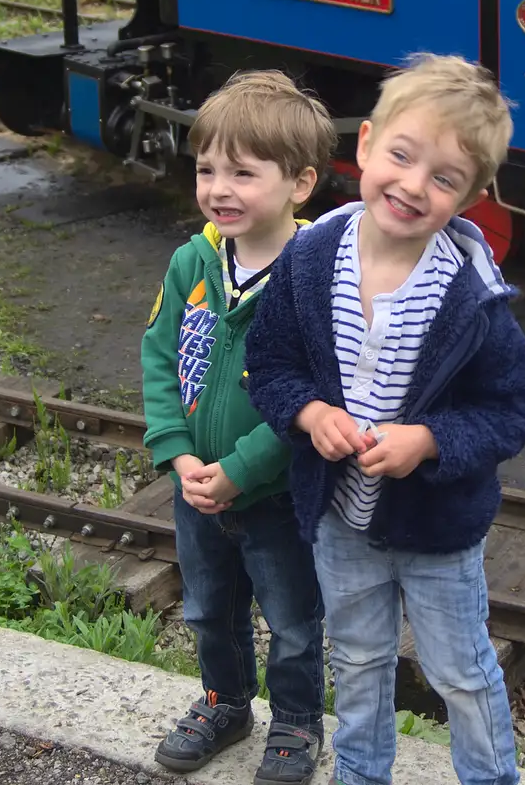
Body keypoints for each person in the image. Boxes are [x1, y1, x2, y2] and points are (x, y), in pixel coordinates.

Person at [244, 53, 525, 785]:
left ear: (469, 198)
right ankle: (360, 775)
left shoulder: (470, 296)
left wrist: (431, 440)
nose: (413, 185)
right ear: (368, 144)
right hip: (342, 522)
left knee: (462, 672)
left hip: (438, 533)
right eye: (403, 157)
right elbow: (271, 361)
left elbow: (513, 409)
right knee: (359, 659)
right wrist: (311, 413)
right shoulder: (310, 258)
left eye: (443, 179)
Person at [140, 70, 337, 785]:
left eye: (242, 173)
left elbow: (313, 397)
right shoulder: (193, 262)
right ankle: (225, 702)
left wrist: (242, 470)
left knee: (291, 619)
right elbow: (160, 354)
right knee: (207, 607)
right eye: (206, 169)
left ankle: (295, 720)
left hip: (277, 495)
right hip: (196, 488)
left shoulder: (312, 279)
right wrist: (177, 453)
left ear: (300, 183)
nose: (219, 187)